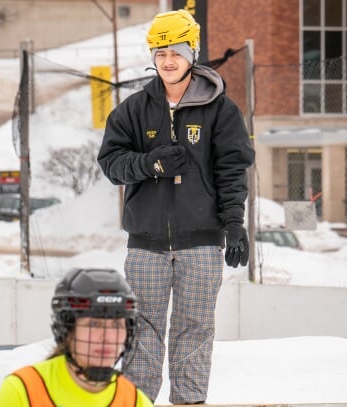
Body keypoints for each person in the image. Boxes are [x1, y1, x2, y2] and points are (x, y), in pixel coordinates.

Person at [97, 9, 255, 405]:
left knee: (195, 327)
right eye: (160, 52)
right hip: (146, 244)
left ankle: (190, 402)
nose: (168, 61)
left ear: (193, 53)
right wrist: (149, 164)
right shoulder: (133, 109)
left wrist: (234, 224)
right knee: (143, 329)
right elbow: (111, 164)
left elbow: (232, 170)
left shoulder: (221, 109)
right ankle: (137, 401)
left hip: (202, 244)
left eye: (177, 52)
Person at [0, 268, 153, 407]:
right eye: (94, 325)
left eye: (117, 325)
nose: (108, 337)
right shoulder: (23, 392)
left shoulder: (134, 401)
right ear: (67, 330)